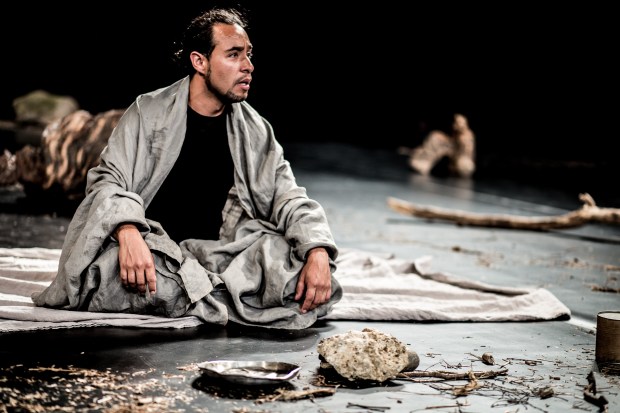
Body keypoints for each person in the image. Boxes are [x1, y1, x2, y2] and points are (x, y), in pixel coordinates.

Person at [32, 7, 343, 329]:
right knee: (102, 274)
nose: (248, 66)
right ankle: (221, 297)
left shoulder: (255, 129)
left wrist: (317, 250)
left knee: (308, 276)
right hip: (154, 252)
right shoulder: (148, 112)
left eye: (248, 55)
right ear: (199, 62)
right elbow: (107, 181)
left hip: (220, 254)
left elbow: (288, 195)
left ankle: (202, 294)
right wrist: (128, 231)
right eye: (234, 54)